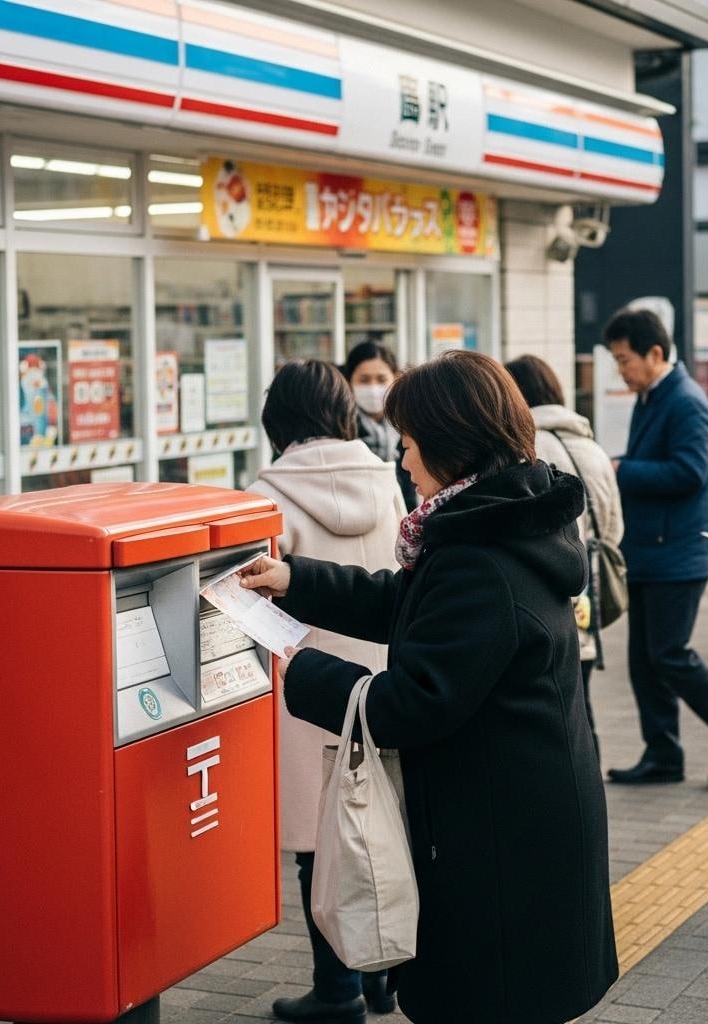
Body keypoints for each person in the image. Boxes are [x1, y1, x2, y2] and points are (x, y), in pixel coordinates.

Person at [240, 350, 618, 1024]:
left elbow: (413, 702)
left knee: (488, 1003)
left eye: (411, 445)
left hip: (499, 844)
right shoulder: (500, 519)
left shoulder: (481, 557)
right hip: (520, 817)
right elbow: (407, 602)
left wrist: (301, 668)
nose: (403, 462)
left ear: (450, 445)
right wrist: (297, 581)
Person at [248, 360, 406, 1024]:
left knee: (321, 842)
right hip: (383, 677)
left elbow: (253, 593)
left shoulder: (265, 494)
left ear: (278, 419)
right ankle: (385, 976)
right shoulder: (389, 477)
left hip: (306, 687)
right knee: (380, 826)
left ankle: (336, 990)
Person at [603, 307, 708, 786]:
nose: (621, 370)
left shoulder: (686, 401)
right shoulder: (653, 396)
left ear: (655, 353)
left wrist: (620, 471)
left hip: (676, 553)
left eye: (625, 359)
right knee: (644, 662)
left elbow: (691, 472)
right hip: (652, 551)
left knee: (669, 654)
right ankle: (664, 754)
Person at [504, 353, 622, 763]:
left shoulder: (531, 447)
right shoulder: (589, 444)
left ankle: (583, 777)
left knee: (566, 700)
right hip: (589, 581)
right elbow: (615, 526)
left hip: (553, 589)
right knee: (582, 691)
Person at [342, 340, 418, 510]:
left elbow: (410, 490)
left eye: (381, 379)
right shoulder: (341, 428)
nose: (373, 387)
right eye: (364, 380)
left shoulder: (407, 425)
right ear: (349, 382)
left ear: (395, 378)